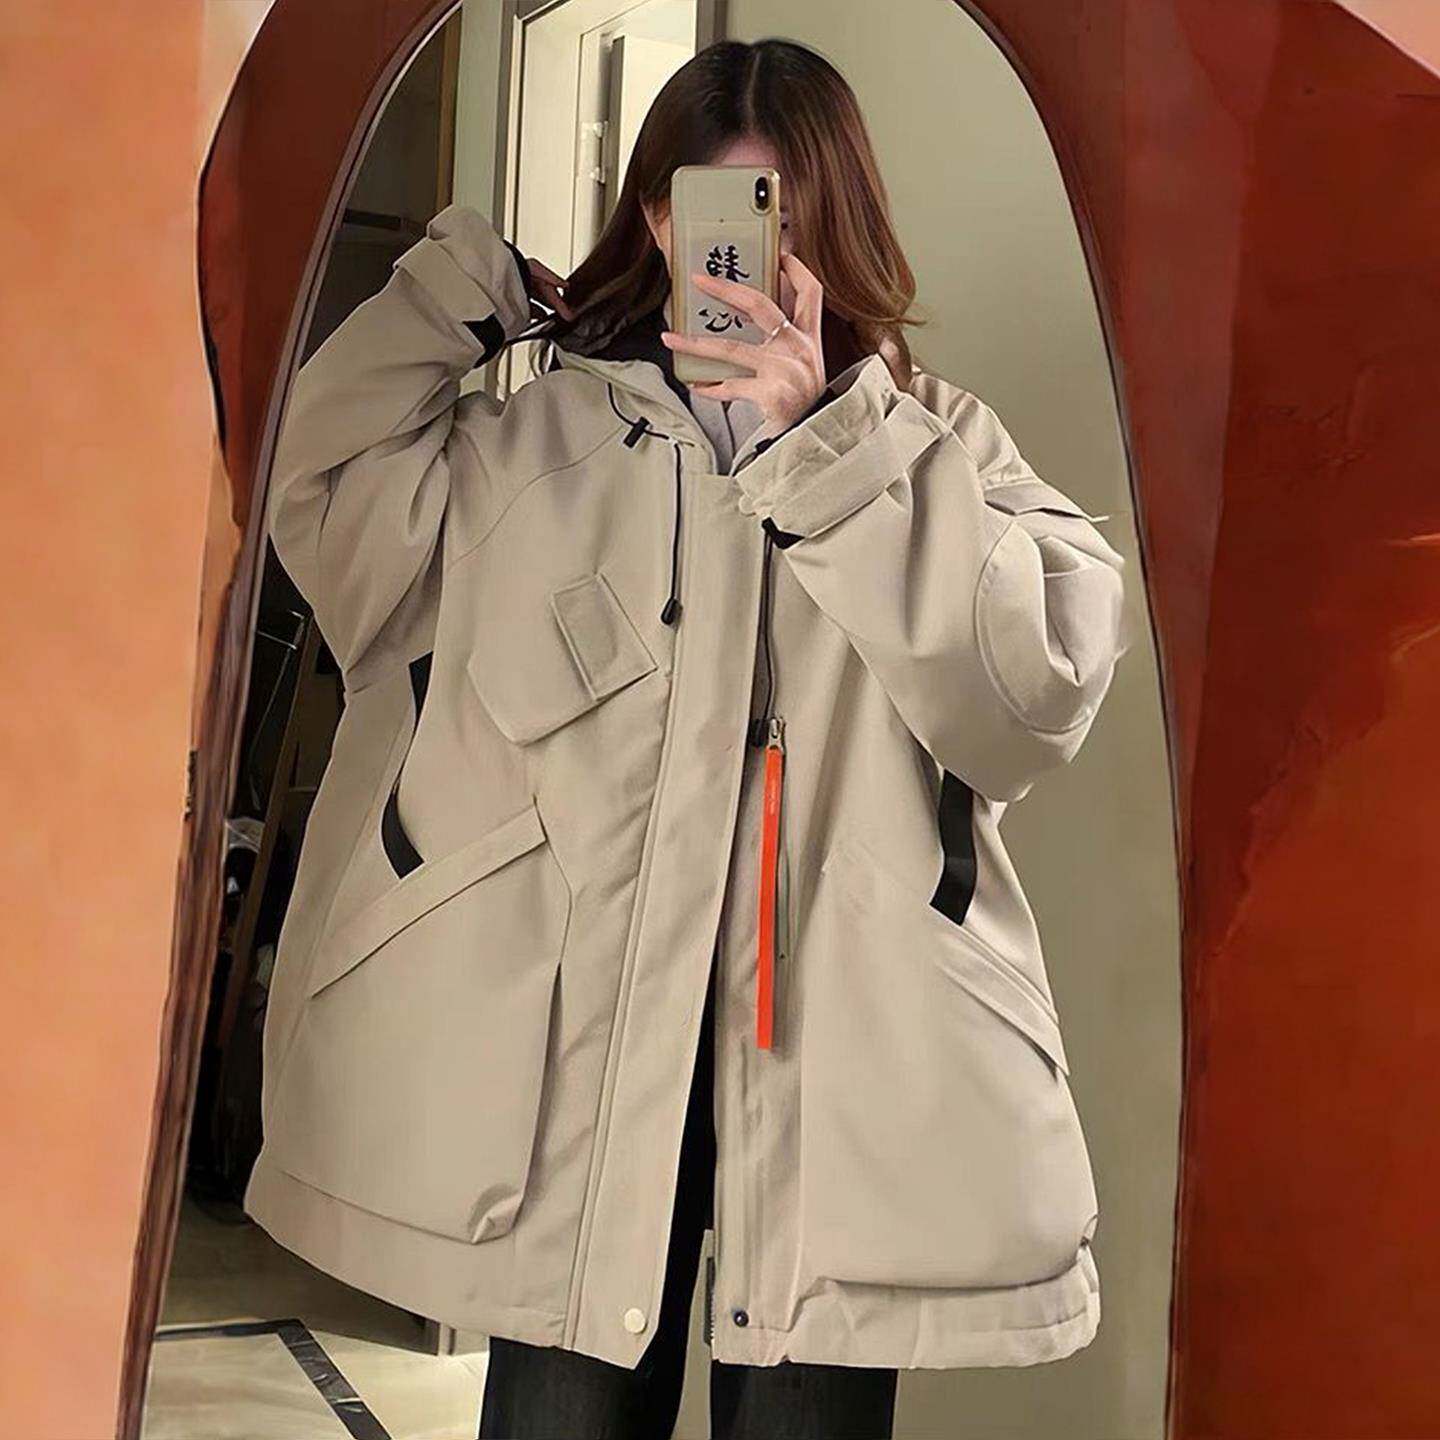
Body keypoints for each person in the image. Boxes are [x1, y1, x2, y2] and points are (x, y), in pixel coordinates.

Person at [250, 36, 1128, 1440]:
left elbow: (1036, 695)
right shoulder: (531, 444)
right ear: (655, 217)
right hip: (574, 1062)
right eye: (707, 209)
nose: (739, 254)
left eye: (778, 213)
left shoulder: (932, 445)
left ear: (836, 222)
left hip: (842, 1067)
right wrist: (458, 291)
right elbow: (313, 489)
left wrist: (825, 446)